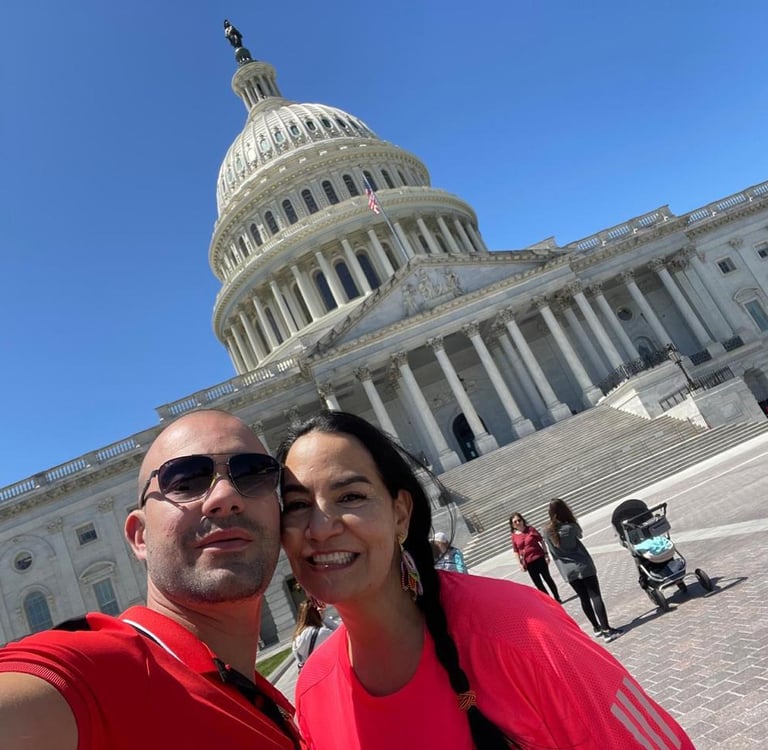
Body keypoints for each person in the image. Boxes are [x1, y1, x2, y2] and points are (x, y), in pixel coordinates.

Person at [277, 411, 695, 750]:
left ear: (400, 514)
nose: (320, 528)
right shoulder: (313, 693)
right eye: (296, 505)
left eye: (350, 496)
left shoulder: (519, 629)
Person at [0, 409, 302, 750]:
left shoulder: (273, 703)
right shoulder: (106, 673)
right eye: (185, 481)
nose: (225, 496)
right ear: (139, 536)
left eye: (252, 474)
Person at [545, 497, 622, 642]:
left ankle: (596, 628)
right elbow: (580, 534)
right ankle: (607, 630)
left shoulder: (547, 531)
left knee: (584, 598)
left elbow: (553, 553)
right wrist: (570, 520)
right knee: (595, 596)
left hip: (568, 570)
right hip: (582, 564)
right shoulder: (570, 526)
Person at [509, 512, 561, 601]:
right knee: (538, 584)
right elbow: (516, 551)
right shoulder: (514, 536)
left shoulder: (531, 529)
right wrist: (519, 564)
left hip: (539, 558)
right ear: (512, 525)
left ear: (522, 520)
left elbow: (541, 541)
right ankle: (549, 601)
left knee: (547, 578)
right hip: (529, 563)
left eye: (519, 520)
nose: (518, 523)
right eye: (515, 522)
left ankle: (557, 598)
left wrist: (546, 554)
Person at [291, 600, 338, 670]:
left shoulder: (295, 637)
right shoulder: (322, 633)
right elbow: (340, 634)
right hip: (327, 670)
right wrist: (324, 618)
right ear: (316, 614)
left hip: (312, 673)